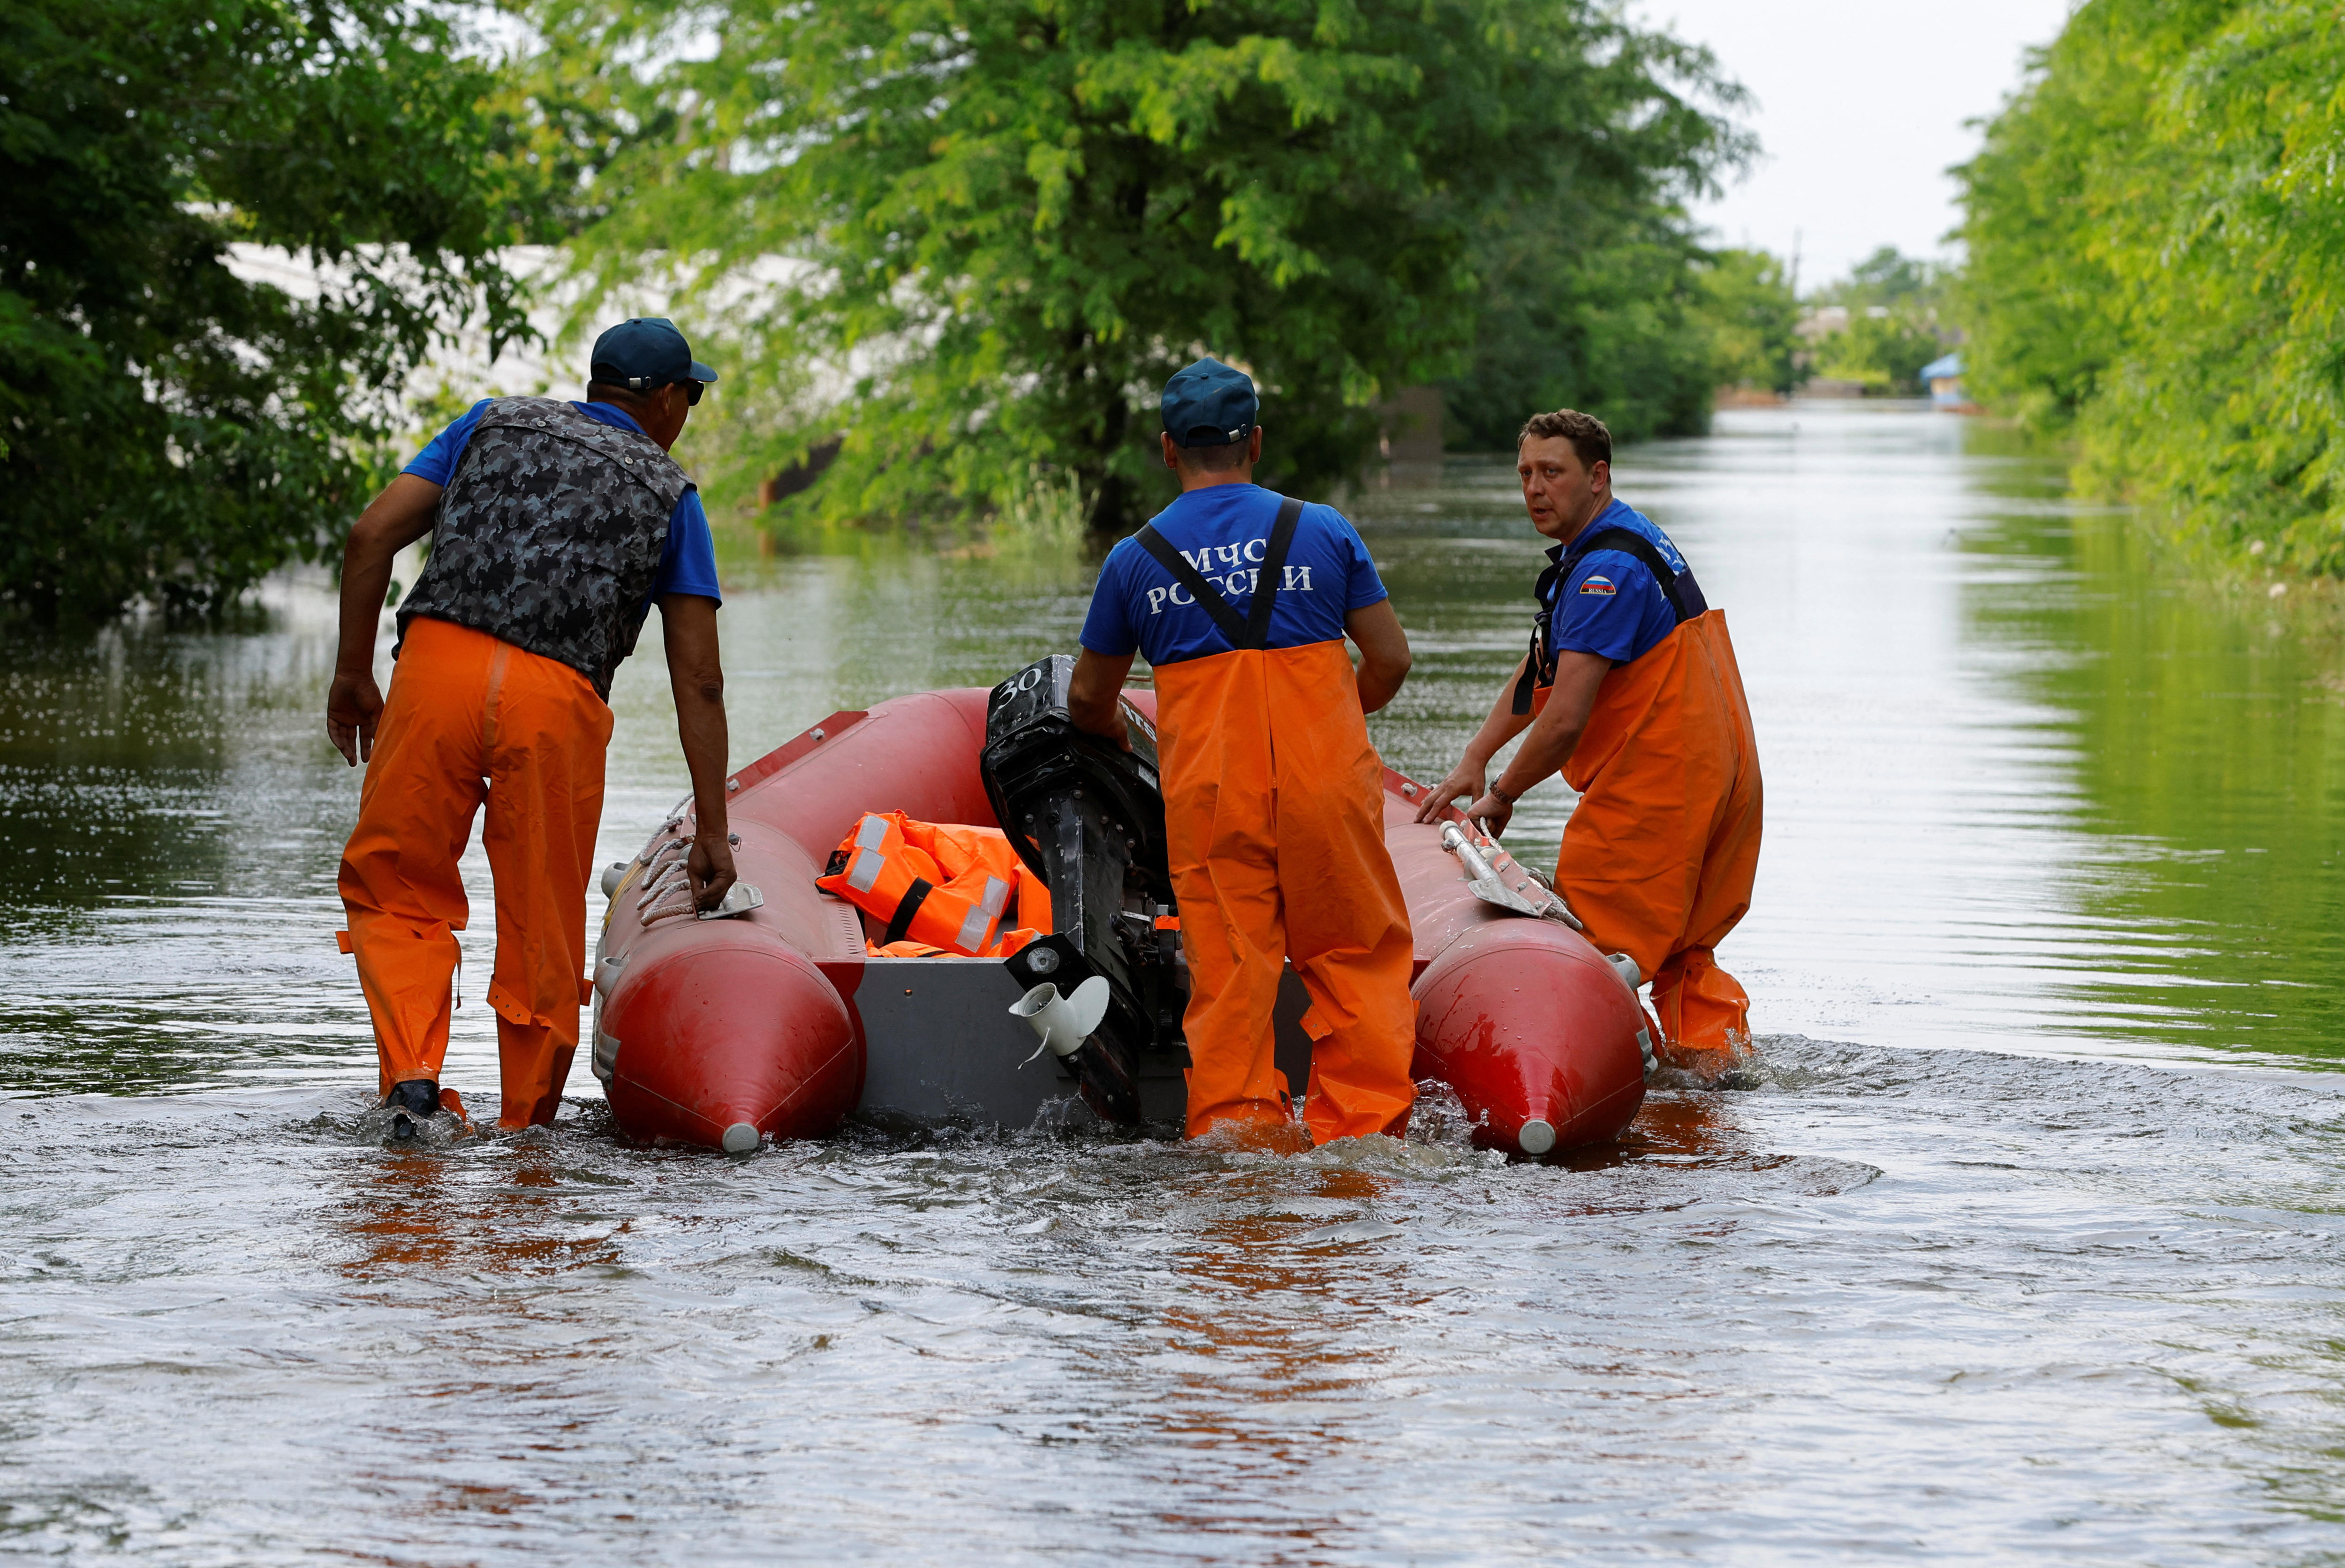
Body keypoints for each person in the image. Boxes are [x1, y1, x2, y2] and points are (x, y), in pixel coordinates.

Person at [326, 317, 738, 1138]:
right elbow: (698, 678)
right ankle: (526, 1140)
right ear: (661, 398)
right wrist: (713, 834)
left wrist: (351, 676)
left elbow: (372, 535)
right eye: (689, 394)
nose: (687, 410)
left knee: (398, 890)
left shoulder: (488, 422)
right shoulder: (670, 494)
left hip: (436, 668)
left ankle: (412, 1083)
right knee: (542, 931)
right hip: (555, 701)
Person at [1066, 358, 1419, 1147]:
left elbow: (1090, 699)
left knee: (1229, 981)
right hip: (1327, 786)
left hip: (1211, 796)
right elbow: (1391, 660)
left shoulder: (1133, 561)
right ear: (1255, 441)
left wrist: (1122, 740)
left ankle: (1240, 1143)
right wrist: (1328, 721)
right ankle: (1365, 1141)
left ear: (1168, 449)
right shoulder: (1323, 530)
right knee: (1357, 958)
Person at [1414, 408, 1762, 1079]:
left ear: (1597, 476)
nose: (1535, 489)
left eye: (1553, 473)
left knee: (1592, 958)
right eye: (1524, 474)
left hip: (1657, 787)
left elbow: (1567, 716)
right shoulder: (1627, 542)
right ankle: (1710, 1095)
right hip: (1724, 783)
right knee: (1684, 953)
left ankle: (1565, 1089)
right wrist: (1475, 757)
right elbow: (1546, 667)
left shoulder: (1604, 571)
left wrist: (1502, 794)